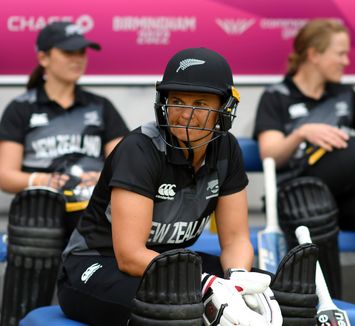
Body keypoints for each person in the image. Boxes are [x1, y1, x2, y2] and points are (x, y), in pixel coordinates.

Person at [57, 47, 289, 326]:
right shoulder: (139, 149)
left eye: (201, 104)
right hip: (98, 264)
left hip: (172, 263)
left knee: (283, 297)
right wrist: (205, 284)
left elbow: (236, 239)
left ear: (223, 107)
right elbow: (130, 256)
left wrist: (236, 278)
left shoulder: (226, 149)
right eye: (177, 101)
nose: (186, 115)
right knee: (175, 309)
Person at [0, 21, 129, 325]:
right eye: (68, 51)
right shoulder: (22, 109)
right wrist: (45, 181)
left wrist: (100, 178)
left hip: (91, 210)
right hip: (41, 217)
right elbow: (5, 175)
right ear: (43, 58)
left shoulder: (100, 106)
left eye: (82, 51)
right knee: (41, 215)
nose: (78, 58)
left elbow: (125, 164)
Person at [253, 19, 355, 298]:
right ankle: (326, 313)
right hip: (300, 198)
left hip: (348, 195)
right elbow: (270, 153)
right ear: (314, 55)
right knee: (316, 213)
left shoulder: (344, 93)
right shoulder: (277, 97)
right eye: (340, 53)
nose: (347, 61)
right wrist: (301, 133)